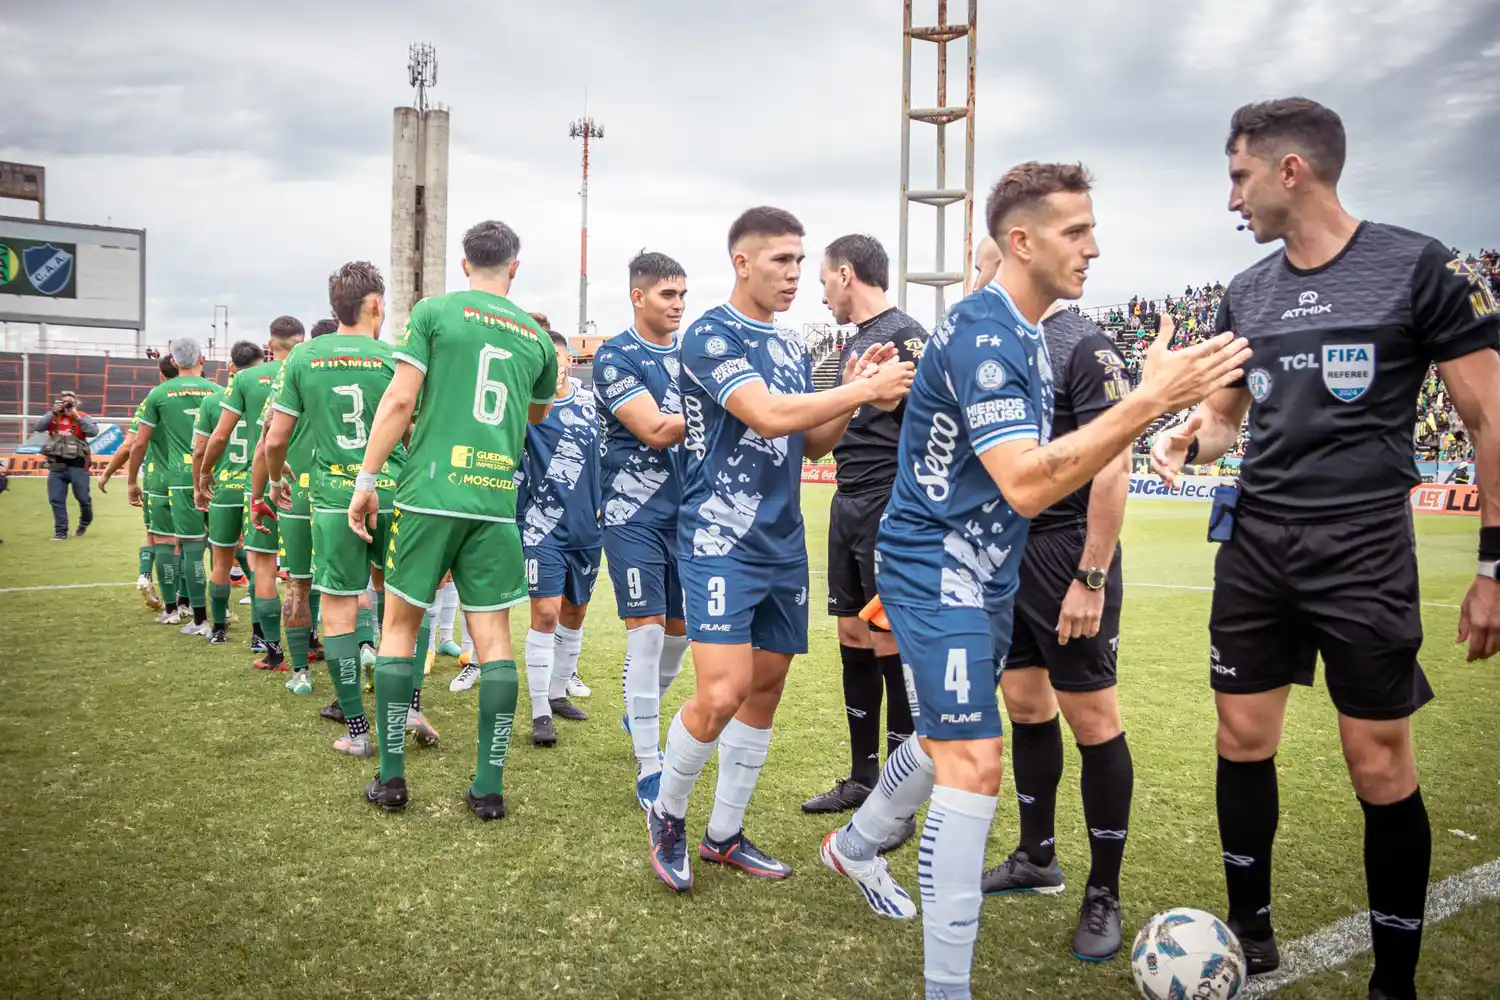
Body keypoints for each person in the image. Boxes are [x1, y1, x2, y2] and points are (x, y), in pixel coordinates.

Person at [817, 162, 1249, 1000]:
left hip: (990, 569)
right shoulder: (987, 335)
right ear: (1021, 241)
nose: (1094, 248)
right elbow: (1024, 482)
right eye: (1076, 231)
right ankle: (948, 986)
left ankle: (857, 845)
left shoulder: (1025, 332)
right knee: (975, 762)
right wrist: (1148, 402)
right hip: (936, 568)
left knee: (949, 739)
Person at [1149, 98, 1500, 1000]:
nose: (1233, 199)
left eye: (1239, 176)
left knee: (1377, 759)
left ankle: (1394, 981)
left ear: (1290, 170)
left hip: (1363, 549)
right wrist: (1188, 439)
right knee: (1240, 736)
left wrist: (1494, 565)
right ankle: (1250, 932)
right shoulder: (1247, 291)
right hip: (1257, 543)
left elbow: (1488, 417)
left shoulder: (1418, 267)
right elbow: (1225, 420)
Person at [644, 206, 915, 893]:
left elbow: (811, 442)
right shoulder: (710, 333)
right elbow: (764, 414)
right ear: (742, 263)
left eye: (800, 261)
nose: (795, 274)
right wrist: (862, 387)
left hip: (782, 543)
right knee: (722, 691)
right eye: (781, 261)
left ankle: (724, 835)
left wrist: (852, 395)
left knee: (764, 691)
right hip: (719, 541)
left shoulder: (793, 346)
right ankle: (667, 814)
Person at [348, 219, 557, 820]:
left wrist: (367, 481)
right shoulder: (537, 338)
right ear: (514, 268)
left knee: (398, 628)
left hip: (428, 494)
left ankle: (392, 779)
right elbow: (538, 413)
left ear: (465, 264)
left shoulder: (434, 312)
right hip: (493, 502)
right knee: (493, 641)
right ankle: (488, 789)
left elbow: (400, 399)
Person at [978, 305, 1135, 962]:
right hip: (1005, 551)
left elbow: (1114, 461)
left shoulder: (1083, 345)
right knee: (1024, 706)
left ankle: (1104, 891)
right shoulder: (993, 341)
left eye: (984, 260)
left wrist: (1090, 575)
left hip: (1066, 551)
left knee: (1092, 718)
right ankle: (1036, 856)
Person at [801, 233, 925, 857]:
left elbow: (933, 425)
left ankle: (897, 802)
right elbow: (822, 433)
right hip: (847, 501)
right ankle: (862, 777)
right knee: (852, 635)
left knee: (888, 641)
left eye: (824, 278)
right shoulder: (848, 345)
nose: (822, 292)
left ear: (846, 274)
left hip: (888, 505)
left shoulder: (906, 336)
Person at [265, 262, 405, 755]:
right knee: (402, 604)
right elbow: (413, 426)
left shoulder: (304, 356)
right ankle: (405, 709)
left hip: (332, 499)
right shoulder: (395, 356)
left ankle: (358, 732)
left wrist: (277, 478)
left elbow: (275, 438)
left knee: (340, 611)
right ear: (374, 304)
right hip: (394, 493)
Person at [590, 250, 691, 809]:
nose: (678, 305)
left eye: (682, 295)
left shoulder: (695, 355)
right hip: (632, 515)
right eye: (667, 295)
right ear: (638, 296)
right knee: (647, 633)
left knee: (680, 633)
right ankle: (650, 765)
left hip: (689, 516)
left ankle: (640, 712)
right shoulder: (615, 356)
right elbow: (654, 428)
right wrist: (730, 408)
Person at [516, 326, 603, 746]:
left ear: (569, 360)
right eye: (544, 360)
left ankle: (557, 692)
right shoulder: (527, 410)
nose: (554, 366)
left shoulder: (592, 405)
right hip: (542, 528)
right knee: (546, 614)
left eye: (558, 357)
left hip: (587, 529)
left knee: (575, 613)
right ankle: (540, 713)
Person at [206, 317, 305, 666]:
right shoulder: (309, 370)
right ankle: (311, 642)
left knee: (260, 566)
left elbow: (221, 435)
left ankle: (267, 645)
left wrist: (203, 472)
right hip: (306, 484)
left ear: (270, 344)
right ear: (303, 340)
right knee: (304, 571)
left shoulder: (245, 380)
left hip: (261, 481)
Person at [127, 339, 221, 636]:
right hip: (217, 475)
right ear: (202, 359)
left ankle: (184, 613)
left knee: (180, 545)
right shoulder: (219, 391)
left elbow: (139, 443)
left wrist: (131, 481)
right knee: (225, 545)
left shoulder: (158, 394)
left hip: (181, 478)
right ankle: (223, 611)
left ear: (174, 362)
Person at [192, 341, 264, 643]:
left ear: (231, 367)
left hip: (223, 489)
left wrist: (199, 485)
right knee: (260, 564)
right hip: (256, 487)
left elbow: (200, 450)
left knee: (221, 562)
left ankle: (219, 629)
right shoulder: (269, 394)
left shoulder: (212, 401)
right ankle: (260, 635)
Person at [101, 357, 178, 612]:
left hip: (156, 478)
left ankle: (145, 575)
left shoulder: (153, 399)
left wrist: (108, 473)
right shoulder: (208, 394)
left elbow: (130, 445)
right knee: (188, 540)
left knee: (154, 535)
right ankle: (184, 598)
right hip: (191, 477)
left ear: (161, 374)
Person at [37, 390, 97, 541]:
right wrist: (53, 411)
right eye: (64, 402)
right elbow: (38, 427)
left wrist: (77, 417)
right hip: (57, 466)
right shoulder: (53, 417)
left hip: (78, 466)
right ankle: (61, 532)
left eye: (70, 402)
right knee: (56, 499)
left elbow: (93, 432)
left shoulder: (82, 416)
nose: (67, 405)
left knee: (83, 498)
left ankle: (85, 522)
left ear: (76, 403)